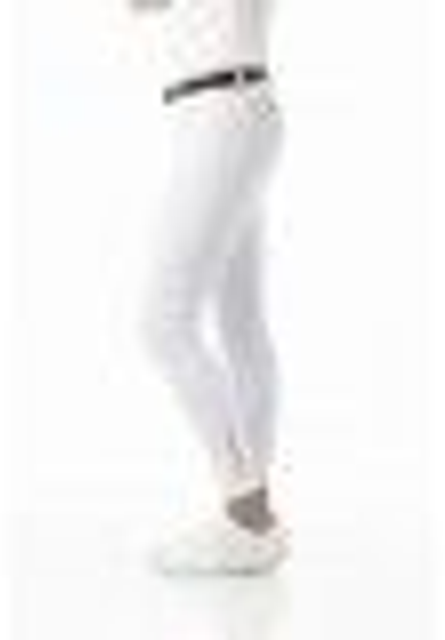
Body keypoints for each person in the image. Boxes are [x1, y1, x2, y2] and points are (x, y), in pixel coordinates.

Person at [131, 0, 288, 575]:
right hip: (212, 115)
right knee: (240, 323)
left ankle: (247, 510)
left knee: (161, 324)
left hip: (227, 109)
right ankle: (248, 523)